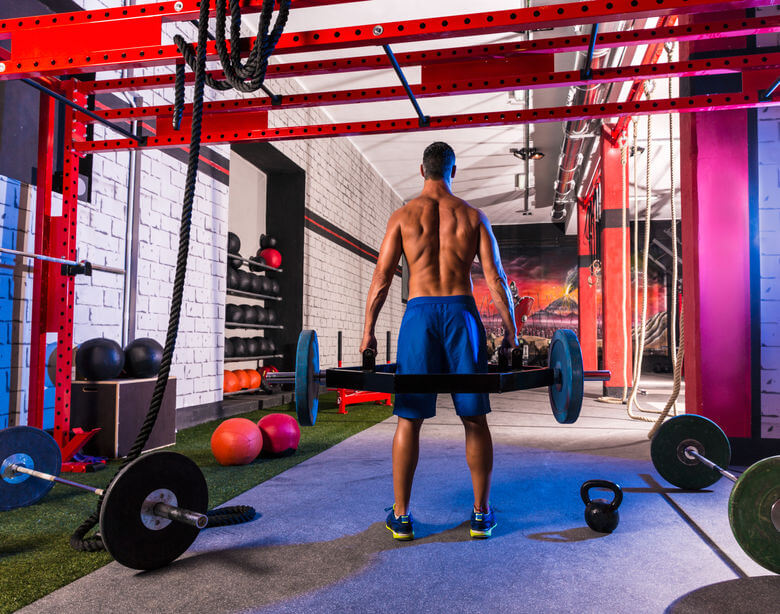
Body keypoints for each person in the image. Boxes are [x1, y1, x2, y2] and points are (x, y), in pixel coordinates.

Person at [360, 141, 517, 541]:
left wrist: (368, 333)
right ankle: (481, 515)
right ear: (453, 170)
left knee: (408, 419)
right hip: (462, 315)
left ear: (420, 170)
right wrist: (511, 332)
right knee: (474, 418)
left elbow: (381, 279)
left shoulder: (403, 216)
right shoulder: (473, 216)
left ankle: (403, 517)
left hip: (420, 315)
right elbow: (496, 279)